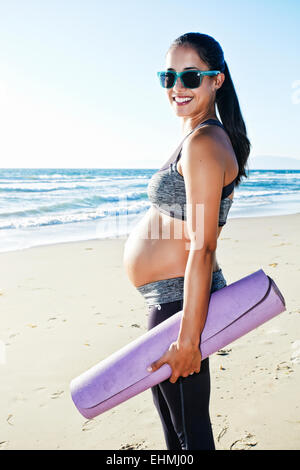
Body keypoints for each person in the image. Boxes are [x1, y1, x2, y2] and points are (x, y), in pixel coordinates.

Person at [123, 32, 251, 450]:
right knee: (179, 436)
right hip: (170, 300)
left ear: (216, 80)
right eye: (169, 76)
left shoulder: (204, 142)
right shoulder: (197, 136)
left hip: (182, 307)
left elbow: (203, 246)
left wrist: (188, 341)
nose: (177, 86)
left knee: (189, 437)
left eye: (191, 76)